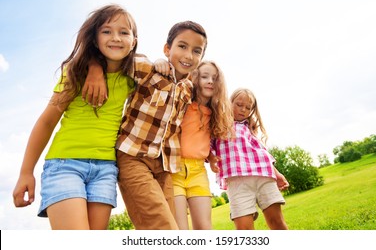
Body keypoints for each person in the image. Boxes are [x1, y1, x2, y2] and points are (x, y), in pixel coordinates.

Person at [12, 4, 138, 229]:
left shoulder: (134, 78)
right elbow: (47, 121)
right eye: (106, 31)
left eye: (124, 32)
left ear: (134, 41)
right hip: (64, 165)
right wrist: (25, 172)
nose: (116, 38)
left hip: (106, 170)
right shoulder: (76, 73)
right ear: (94, 39)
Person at [84, 20, 208, 229]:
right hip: (133, 157)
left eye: (197, 51)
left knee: (173, 227)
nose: (188, 55)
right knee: (162, 226)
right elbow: (114, 55)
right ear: (167, 48)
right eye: (182, 46)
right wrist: (95, 68)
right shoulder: (148, 69)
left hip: (164, 166)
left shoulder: (187, 88)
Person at [155, 60, 234, 229]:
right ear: (195, 78)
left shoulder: (214, 113)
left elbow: (202, 141)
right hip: (174, 169)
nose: (210, 81)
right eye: (205, 76)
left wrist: (211, 157)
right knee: (180, 228)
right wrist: (161, 62)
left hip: (198, 172)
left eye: (214, 78)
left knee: (205, 227)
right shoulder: (183, 103)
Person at [212, 88, 289, 230]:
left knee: (277, 223)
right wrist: (211, 159)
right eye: (239, 105)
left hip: (263, 177)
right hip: (236, 181)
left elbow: (261, 153)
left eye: (248, 108)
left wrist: (277, 174)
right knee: (244, 230)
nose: (243, 110)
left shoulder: (248, 128)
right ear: (229, 103)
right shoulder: (218, 125)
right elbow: (208, 145)